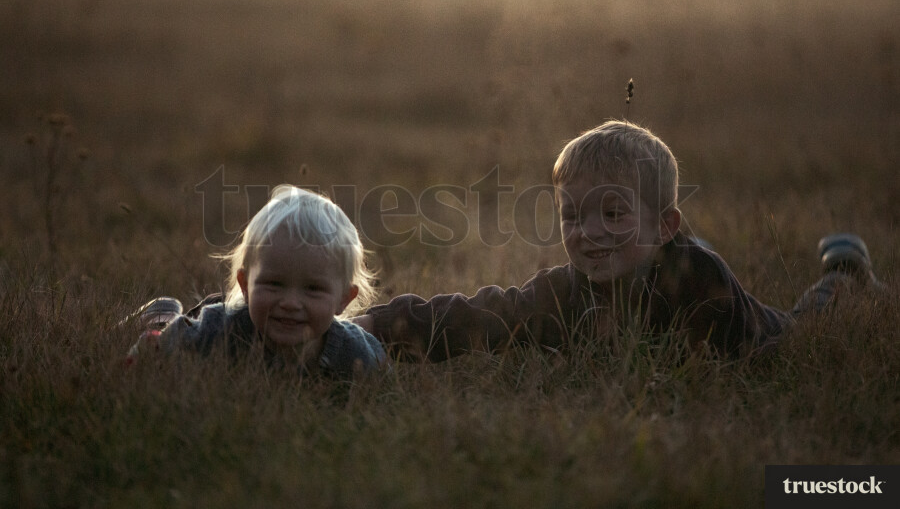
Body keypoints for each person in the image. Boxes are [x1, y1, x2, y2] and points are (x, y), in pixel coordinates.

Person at [355, 120, 884, 361]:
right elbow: (484, 315)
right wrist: (377, 324)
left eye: (613, 213)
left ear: (665, 227)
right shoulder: (566, 291)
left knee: (807, 319)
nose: (588, 233)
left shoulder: (698, 279)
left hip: (769, 332)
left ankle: (841, 275)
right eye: (572, 216)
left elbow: (759, 360)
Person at [127, 185, 386, 380]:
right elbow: (161, 349)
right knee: (173, 325)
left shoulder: (355, 352)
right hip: (212, 316)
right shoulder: (218, 330)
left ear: (344, 299)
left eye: (312, 289)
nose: (290, 303)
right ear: (245, 285)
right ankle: (161, 315)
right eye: (274, 284)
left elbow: (385, 379)